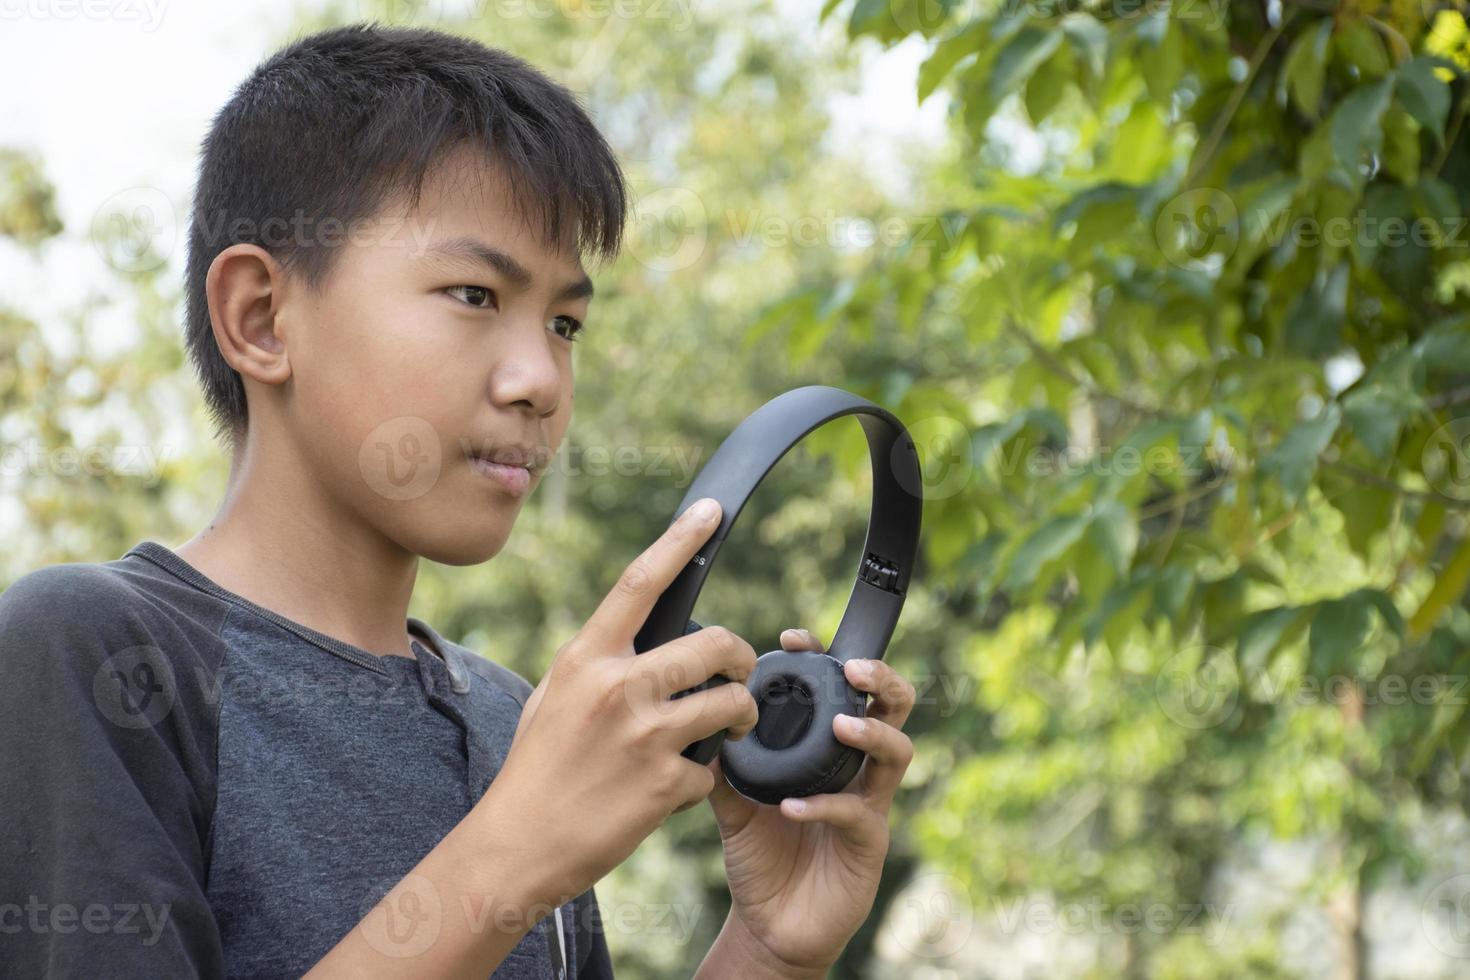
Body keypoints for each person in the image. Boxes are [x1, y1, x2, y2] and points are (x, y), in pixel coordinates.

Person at [0, 23, 917, 978]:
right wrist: (513, 853)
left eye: (565, 323)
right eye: (475, 295)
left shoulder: (510, 723)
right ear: (261, 318)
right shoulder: (90, 650)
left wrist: (770, 948)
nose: (541, 381)